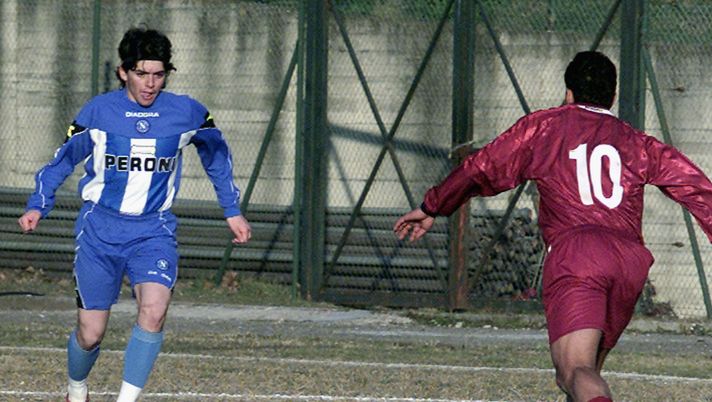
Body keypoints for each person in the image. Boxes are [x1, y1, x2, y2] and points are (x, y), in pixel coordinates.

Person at [393, 51, 712, 402]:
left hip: (578, 255)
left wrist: (433, 205)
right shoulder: (637, 141)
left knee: (574, 371)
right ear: (614, 97)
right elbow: (695, 185)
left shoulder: (544, 127)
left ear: (569, 94)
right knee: (588, 372)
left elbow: (482, 167)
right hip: (630, 260)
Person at [17, 27, 251, 402]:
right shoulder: (98, 112)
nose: (151, 84)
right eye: (142, 74)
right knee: (90, 333)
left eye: (159, 75)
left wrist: (232, 210)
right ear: (124, 72)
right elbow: (62, 161)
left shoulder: (186, 112)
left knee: (154, 311)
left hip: (153, 231)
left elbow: (216, 156)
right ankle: (76, 388)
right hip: (99, 231)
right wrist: (37, 205)